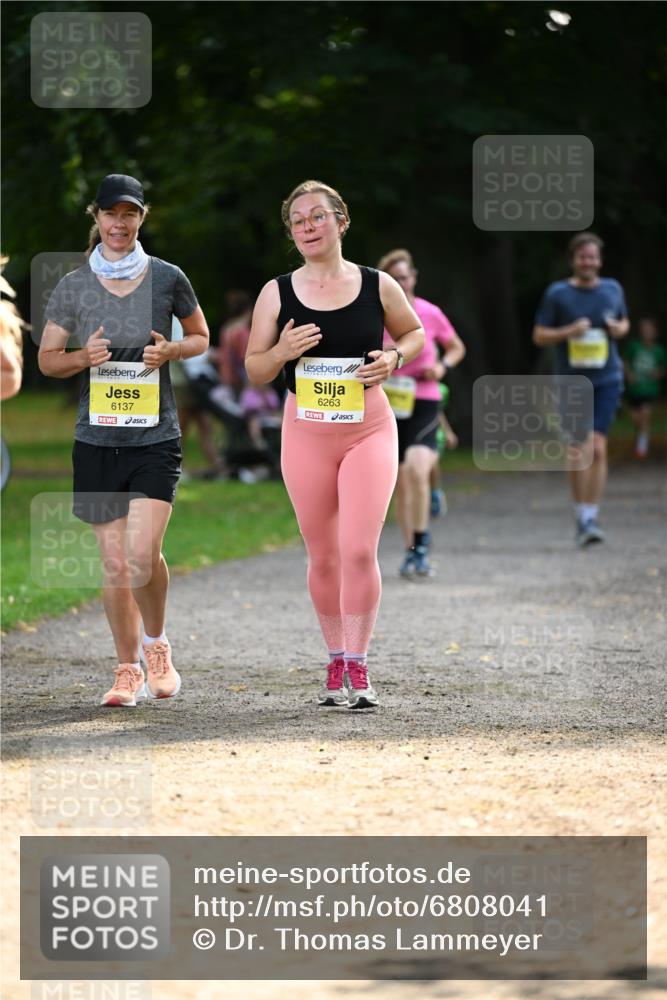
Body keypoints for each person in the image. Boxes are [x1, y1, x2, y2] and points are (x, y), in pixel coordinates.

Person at [246, 180, 424, 709]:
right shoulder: (276, 292)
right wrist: (280, 350)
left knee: (357, 549)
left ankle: (360, 664)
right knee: (323, 555)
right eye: (298, 221)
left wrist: (394, 359)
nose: (307, 227)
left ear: (341, 222)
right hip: (306, 433)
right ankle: (334, 658)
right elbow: (256, 369)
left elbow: (413, 335)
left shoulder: (377, 284)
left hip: (369, 428)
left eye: (317, 217)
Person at [38, 173, 209, 706]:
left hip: (155, 439)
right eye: (110, 214)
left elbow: (200, 337)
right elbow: (47, 360)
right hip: (96, 442)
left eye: (129, 213)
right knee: (114, 563)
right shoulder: (73, 285)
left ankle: (157, 645)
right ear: (96, 217)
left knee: (140, 555)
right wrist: (82, 359)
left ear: (142, 217)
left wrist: (171, 353)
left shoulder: (167, 277)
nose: (119, 223)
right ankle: (126, 669)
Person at [533, 232, 629, 547]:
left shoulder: (612, 288)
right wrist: (569, 331)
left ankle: (590, 515)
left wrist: (619, 329)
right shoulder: (558, 293)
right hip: (571, 381)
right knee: (577, 450)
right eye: (582, 256)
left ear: (599, 260)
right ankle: (580, 511)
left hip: (607, 378)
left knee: (597, 447)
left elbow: (625, 323)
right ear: (574, 259)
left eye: (593, 257)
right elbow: (540, 335)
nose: (588, 262)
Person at [377, 248, 465, 577]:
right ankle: (410, 551)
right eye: (394, 279)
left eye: (405, 277)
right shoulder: (376, 315)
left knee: (415, 469)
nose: (402, 283)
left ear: (414, 277)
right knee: (402, 481)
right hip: (389, 402)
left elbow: (457, 347)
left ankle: (422, 545)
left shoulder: (429, 312)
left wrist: (442, 366)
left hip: (424, 399)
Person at [624, 316, 665, 459]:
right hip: (635, 389)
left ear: (655, 332)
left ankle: (642, 448)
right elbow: (626, 362)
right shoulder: (634, 346)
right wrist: (629, 375)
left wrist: (657, 373)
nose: (647, 332)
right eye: (644, 329)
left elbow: (663, 367)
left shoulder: (659, 350)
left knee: (645, 415)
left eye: (649, 329)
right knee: (637, 418)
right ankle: (640, 438)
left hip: (650, 389)